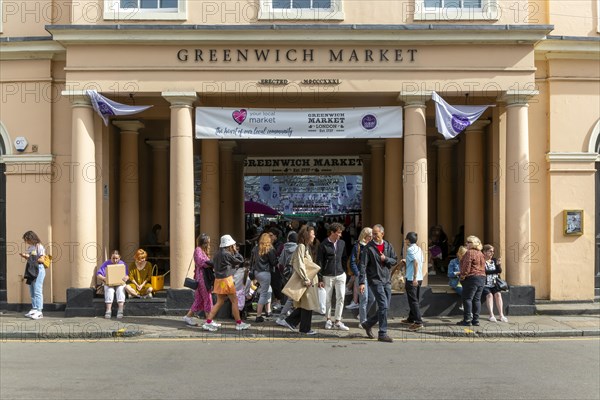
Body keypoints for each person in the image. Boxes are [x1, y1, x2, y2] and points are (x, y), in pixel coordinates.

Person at [359, 224, 398, 343]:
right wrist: (362, 282)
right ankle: (382, 333)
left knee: (385, 307)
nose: (374, 236)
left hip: (387, 280)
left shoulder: (388, 245)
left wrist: (385, 259)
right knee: (383, 305)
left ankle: (367, 324)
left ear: (382, 234)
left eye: (376, 234)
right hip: (375, 280)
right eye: (373, 234)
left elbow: (394, 260)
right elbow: (363, 265)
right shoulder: (368, 248)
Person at [202, 235, 251, 332]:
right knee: (234, 301)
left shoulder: (217, 254)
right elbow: (240, 260)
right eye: (233, 245)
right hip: (227, 280)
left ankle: (208, 322)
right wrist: (236, 251)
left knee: (219, 302)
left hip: (219, 281)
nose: (234, 246)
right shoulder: (227, 254)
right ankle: (239, 323)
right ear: (229, 245)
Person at [278, 225, 320, 335]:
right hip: (306, 280)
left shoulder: (304, 246)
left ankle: (292, 322)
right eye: (312, 233)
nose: (314, 235)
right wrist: (305, 278)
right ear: (307, 235)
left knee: (306, 304)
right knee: (307, 303)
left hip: (308, 280)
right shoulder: (301, 246)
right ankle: (303, 327)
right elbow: (299, 263)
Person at [316, 222, 349, 331]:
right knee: (327, 299)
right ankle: (328, 319)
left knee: (341, 297)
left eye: (340, 233)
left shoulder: (342, 243)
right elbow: (319, 262)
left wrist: (344, 271)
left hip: (340, 274)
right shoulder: (323, 245)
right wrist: (320, 278)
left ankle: (338, 320)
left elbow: (344, 258)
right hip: (327, 275)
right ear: (332, 232)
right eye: (338, 233)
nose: (340, 235)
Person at [346, 227, 375, 328]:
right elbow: (353, 261)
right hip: (361, 275)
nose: (371, 238)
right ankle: (363, 321)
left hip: (371, 276)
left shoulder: (372, 245)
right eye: (370, 236)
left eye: (372, 236)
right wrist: (357, 273)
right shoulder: (358, 246)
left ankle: (361, 315)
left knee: (372, 298)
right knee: (364, 298)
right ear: (365, 236)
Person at [183, 234, 214, 326]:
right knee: (208, 298)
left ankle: (188, 317)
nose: (209, 244)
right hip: (202, 278)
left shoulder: (202, 251)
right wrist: (212, 263)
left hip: (202, 277)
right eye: (208, 242)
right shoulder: (198, 250)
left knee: (199, 300)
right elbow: (201, 262)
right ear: (204, 242)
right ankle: (209, 321)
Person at [457, 235, 486, 326]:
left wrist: (462, 276)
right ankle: (476, 320)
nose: (466, 244)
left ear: (472, 244)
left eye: (468, 242)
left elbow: (466, 266)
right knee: (477, 299)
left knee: (467, 299)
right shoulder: (480, 253)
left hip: (472, 278)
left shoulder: (470, 252)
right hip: (481, 278)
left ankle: (467, 320)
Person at [250, 232, 278, 322]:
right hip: (265, 273)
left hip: (256, 273)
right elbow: (274, 262)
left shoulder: (255, 248)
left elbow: (251, 262)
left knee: (266, 290)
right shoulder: (269, 249)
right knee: (263, 294)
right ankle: (258, 315)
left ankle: (268, 310)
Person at [400, 232, 425, 331]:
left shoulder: (410, 249)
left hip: (412, 278)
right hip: (419, 278)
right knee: (415, 299)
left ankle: (418, 322)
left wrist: (414, 277)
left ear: (408, 240)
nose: (405, 240)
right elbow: (419, 261)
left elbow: (415, 262)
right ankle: (411, 318)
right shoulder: (419, 249)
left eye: (406, 239)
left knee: (413, 301)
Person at [19, 231, 46, 320]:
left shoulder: (39, 246)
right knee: (32, 290)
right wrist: (25, 256)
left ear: (32, 238)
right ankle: (34, 309)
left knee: (38, 290)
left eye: (27, 239)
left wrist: (29, 257)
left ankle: (39, 311)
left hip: (38, 269)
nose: (27, 242)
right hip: (31, 270)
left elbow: (42, 260)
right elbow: (32, 259)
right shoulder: (31, 247)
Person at [96, 250, 129, 319]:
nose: (115, 260)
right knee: (109, 290)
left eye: (116, 258)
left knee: (120, 289)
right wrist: (104, 278)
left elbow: (127, 275)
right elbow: (99, 274)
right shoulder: (106, 263)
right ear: (110, 258)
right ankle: (108, 310)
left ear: (119, 258)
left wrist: (126, 278)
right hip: (109, 283)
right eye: (113, 258)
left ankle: (120, 310)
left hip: (119, 283)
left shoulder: (122, 264)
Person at [276, 230, 298, 323]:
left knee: (288, 293)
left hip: (286, 273)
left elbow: (280, 261)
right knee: (292, 295)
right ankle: (283, 315)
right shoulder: (298, 248)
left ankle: (287, 312)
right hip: (295, 273)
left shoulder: (284, 248)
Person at [482, 244, 508, 323]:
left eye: (493, 251)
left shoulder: (494, 260)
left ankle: (501, 315)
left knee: (498, 295)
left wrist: (498, 264)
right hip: (485, 284)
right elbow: (485, 272)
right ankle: (491, 315)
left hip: (494, 283)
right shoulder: (482, 261)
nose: (492, 253)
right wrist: (495, 271)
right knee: (489, 295)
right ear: (485, 252)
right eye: (490, 251)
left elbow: (499, 271)